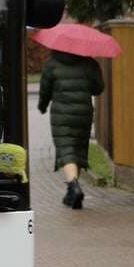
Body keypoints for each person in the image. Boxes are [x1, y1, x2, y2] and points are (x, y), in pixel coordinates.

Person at [38, 50, 104, 209]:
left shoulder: (52, 63)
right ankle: (72, 192)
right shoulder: (89, 63)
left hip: (61, 115)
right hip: (83, 113)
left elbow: (45, 88)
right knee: (79, 149)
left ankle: (73, 186)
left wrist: (42, 105)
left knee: (66, 150)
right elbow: (98, 88)